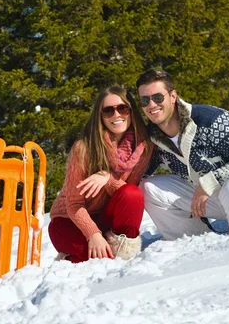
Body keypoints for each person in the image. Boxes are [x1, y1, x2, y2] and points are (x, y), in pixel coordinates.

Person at [136, 69, 229, 241]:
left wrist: (209, 182)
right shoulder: (151, 137)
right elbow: (136, 175)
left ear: (173, 96)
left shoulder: (211, 119)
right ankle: (190, 242)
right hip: (207, 200)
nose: (151, 105)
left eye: (158, 97)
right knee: (148, 188)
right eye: (144, 100)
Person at [48, 86, 153, 263]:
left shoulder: (143, 148)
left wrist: (107, 179)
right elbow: (73, 205)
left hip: (107, 217)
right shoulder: (84, 148)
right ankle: (71, 257)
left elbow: (127, 195)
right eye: (108, 110)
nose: (116, 115)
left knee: (132, 195)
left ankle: (123, 253)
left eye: (122, 108)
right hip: (70, 221)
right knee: (100, 259)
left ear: (131, 111)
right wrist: (93, 234)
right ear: (100, 116)